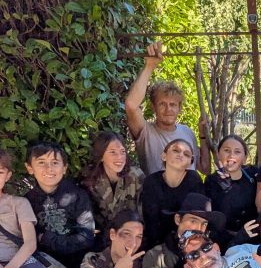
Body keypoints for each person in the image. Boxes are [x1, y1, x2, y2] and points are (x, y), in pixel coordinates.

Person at [24, 142, 95, 268]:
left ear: (64, 168)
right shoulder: (26, 202)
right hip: (44, 264)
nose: (49, 168)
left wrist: (47, 239)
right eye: (41, 163)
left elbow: (86, 237)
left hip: (77, 260)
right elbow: (27, 240)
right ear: (29, 168)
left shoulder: (78, 196)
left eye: (55, 163)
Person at [124, 41, 208, 175]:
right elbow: (131, 105)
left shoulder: (187, 132)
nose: (168, 109)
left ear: (179, 108)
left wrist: (203, 137)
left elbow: (205, 169)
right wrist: (149, 66)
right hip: (158, 188)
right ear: (154, 107)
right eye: (162, 104)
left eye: (173, 104)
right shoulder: (145, 131)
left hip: (188, 188)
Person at [82, 130, 144, 249]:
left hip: (133, 241)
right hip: (103, 242)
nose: (119, 157)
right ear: (101, 156)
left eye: (122, 152)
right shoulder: (90, 179)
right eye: (113, 152)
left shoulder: (136, 176)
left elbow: (143, 213)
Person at [140, 138, 205, 250]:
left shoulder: (194, 179)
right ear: (164, 156)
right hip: (156, 243)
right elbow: (151, 221)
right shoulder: (151, 182)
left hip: (187, 241)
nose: (181, 155)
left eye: (186, 154)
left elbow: (197, 217)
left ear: (190, 163)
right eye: (176, 150)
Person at [205, 134, 258, 238]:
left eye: (237, 152)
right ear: (218, 154)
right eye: (227, 150)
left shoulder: (253, 175)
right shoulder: (211, 181)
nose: (231, 155)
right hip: (222, 239)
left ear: (244, 158)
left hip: (252, 237)